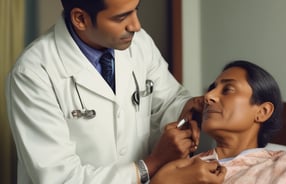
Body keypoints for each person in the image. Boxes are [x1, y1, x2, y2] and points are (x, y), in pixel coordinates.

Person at [4, 0, 221, 183]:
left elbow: (168, 100)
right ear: (80, 18)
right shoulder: (33, 72)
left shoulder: (139, 43)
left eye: (136, 9)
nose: (136, 25)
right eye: (121, 17)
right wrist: (151, 164)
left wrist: (188, 107)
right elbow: (60, 178)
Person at [193, 60, 286, 183]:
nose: (208, 96)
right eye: (211, 89)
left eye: (227, 89)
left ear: (262, 112)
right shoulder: (186, 166)